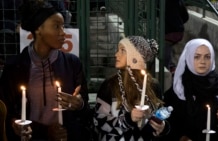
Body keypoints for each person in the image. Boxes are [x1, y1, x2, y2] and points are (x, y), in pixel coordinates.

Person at [0, 0, 90, 140]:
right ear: (38, 29)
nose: (63, 33)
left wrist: (80, 104)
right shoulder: (14, 67)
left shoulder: (72, 63)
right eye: (56, 27)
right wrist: (15, 125)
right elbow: (6, 112)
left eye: (63, 26)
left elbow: (85, 111)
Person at [94, 36, 170, 141]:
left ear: (135, 56)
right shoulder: (110, 85)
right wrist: (128, 119)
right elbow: (98, 122)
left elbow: (159, 116)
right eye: (118, 50)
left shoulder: (153, 85)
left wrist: (162, 127)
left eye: (123, 50)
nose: (116, 54)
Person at [163, 38, 218, 141]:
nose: (202, 61)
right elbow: (168, 126)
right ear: (188, 58)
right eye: (196, 57)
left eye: (207, 57)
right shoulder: (178, 89)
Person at [162, 0, 189, 71]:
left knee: (165, 49)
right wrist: (178, 23)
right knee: (168, 48)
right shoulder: (179, 1)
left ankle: (167, 69)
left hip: (169, 32)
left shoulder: (163, 2)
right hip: (179, 32)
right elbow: (186, 17)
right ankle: (171, 65)